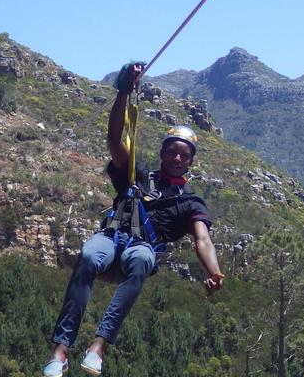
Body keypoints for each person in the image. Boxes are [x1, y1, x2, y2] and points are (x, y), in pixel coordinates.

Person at [43, 61, 225, 377]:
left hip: (139, 252)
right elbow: (115, 139)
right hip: (111, 239)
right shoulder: (136, 175)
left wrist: (214, 271)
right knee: (88, 255)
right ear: (163, 153)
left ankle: (98, 347)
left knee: (142, 258)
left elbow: (202, 238)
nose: (177, 158)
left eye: (184, 155)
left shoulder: (191, 202)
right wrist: (123, 92)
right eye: (173, 152)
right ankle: (60, 351)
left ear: (191, 161)